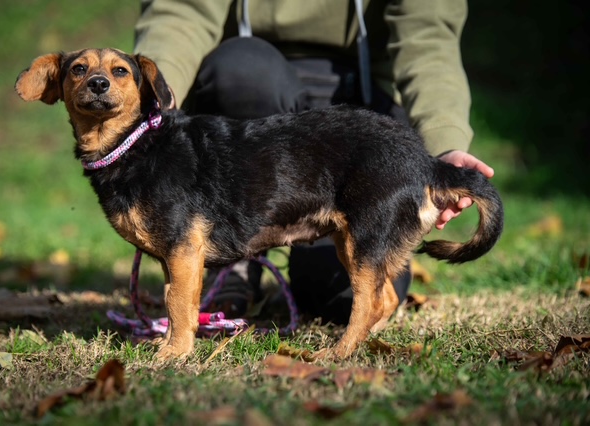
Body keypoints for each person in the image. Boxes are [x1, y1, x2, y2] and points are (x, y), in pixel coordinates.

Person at [134, 0, 494, 324]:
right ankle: (231, 258)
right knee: (242, 70)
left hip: (362, 120)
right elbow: (181, 10)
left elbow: (428, 35)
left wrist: (444, 143)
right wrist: (151, 98)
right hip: (253, 92)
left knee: (344, 298)